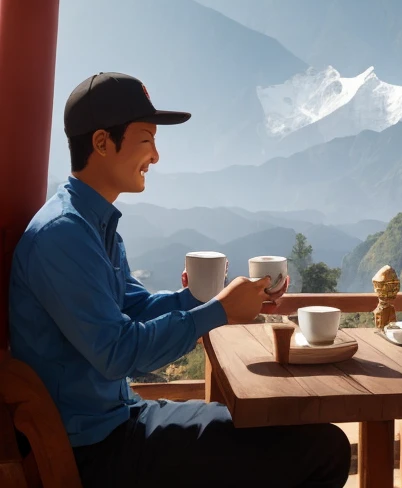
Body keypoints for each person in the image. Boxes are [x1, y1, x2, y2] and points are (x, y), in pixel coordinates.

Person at [8, 72, 350, 488]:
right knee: (320, 448)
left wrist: (204, 298)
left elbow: (133, 308)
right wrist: (220, 312)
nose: (156, 156)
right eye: (146, 139)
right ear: (101, 143)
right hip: (92, 452)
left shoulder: (94, 227)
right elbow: (119, 352)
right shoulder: (62, 235)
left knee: (292, 432)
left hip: (123, 420)